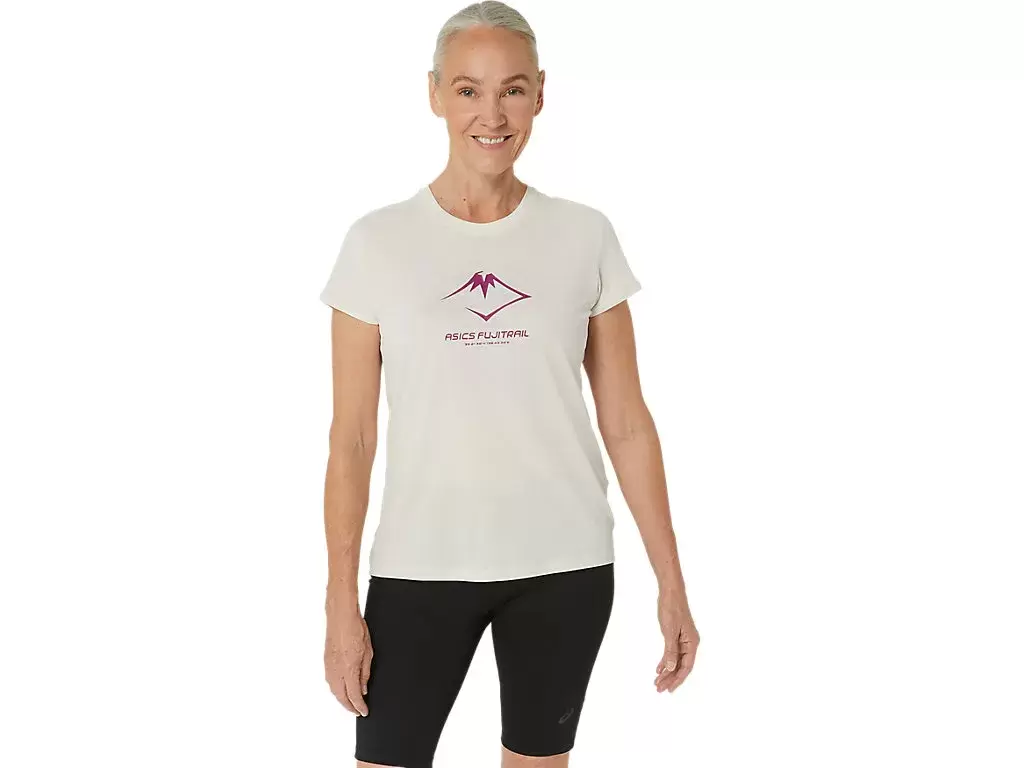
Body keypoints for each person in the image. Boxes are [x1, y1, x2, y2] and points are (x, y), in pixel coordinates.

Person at [319, 2, 699, 766]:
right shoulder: (378, 243)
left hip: (563, 563)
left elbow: (626, 422)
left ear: (540, 94)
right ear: (434, 93)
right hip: (421, 564)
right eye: (468, 90)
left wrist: (672, 582)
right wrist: (339, 600)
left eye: (513, 90)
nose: (491, 115)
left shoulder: (583, 235)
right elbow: (352, 439)